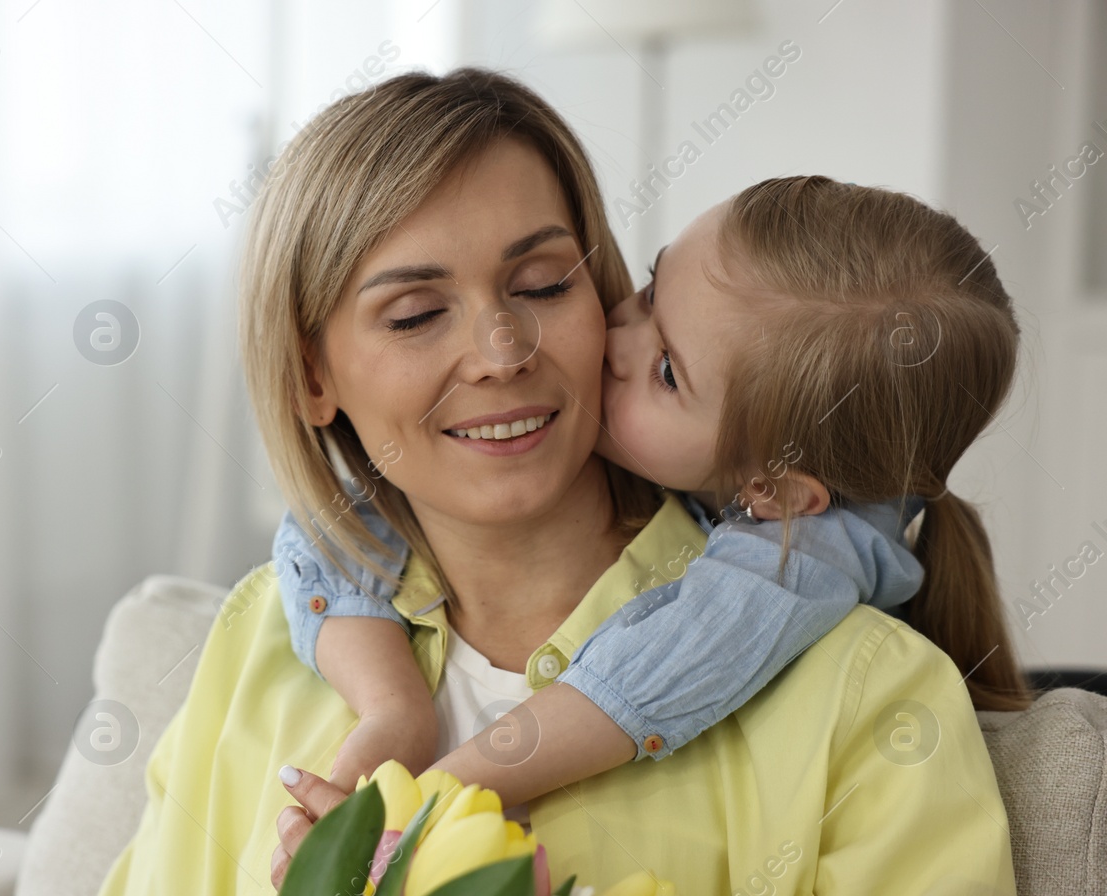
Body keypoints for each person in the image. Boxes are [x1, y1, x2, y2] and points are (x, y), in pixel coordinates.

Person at [42, 68, 1020, 896]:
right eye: (416, 312)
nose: (502, 350)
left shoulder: (870, 699)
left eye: (543, 284)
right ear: (312, 376)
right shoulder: (258, 638)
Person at [271, 174, 1029, 818]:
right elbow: (330, 517)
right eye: (648, 289)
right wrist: (393, 704)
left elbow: (660, 669)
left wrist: (437, 801)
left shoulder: (805, 563)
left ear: (771, 491)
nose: (614, 336)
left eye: (667, 371)